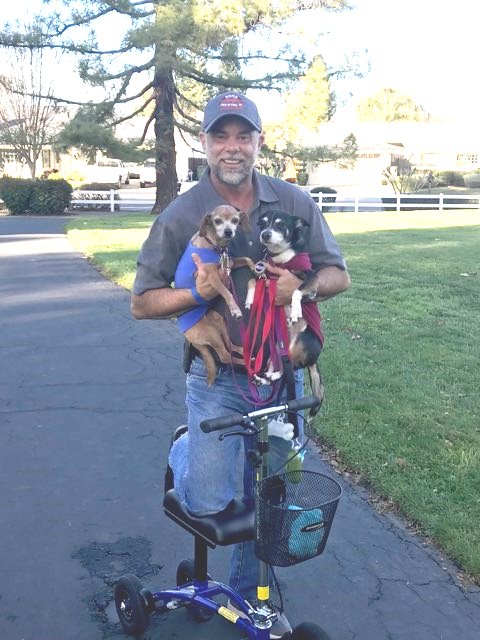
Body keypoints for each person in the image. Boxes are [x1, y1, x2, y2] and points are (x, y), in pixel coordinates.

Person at [131, 91, 350, 637]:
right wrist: (198, 294)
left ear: (258, 141)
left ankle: (254, 601)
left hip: (280, 376)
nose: (233, 147)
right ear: (204, 143)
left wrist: (301, 287)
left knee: (269, 502)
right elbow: (142, 301)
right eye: (221, 136)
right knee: (210, 499)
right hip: (218, 379)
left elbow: (338, 275)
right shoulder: (184, 212)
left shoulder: (295, 201)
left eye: (243, 135)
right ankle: (189, 445)